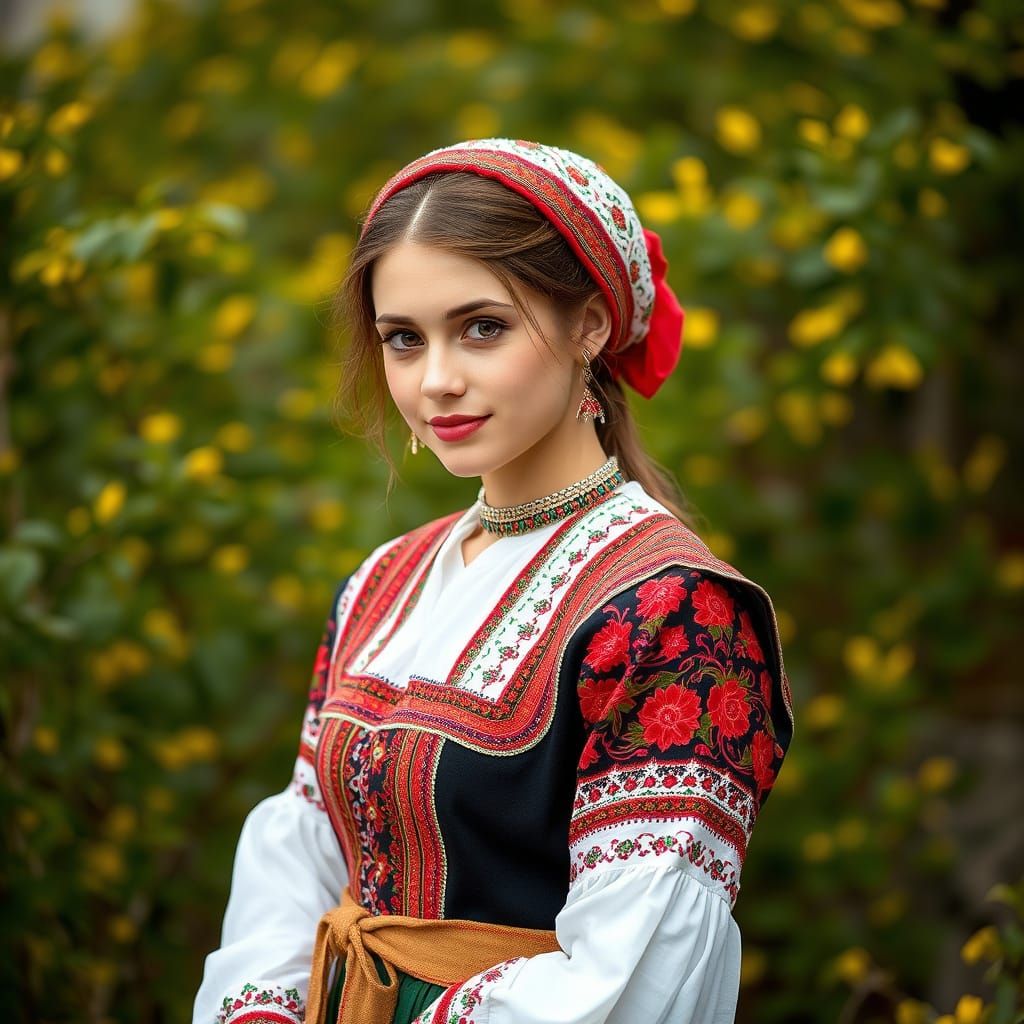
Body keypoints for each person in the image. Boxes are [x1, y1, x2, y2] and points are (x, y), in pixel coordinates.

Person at [192, 138, 795, 1024]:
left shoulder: (677, 611)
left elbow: (633, 974)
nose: (437, 381)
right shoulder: (383, 582)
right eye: (404, 339)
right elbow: (304, 848)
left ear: (590, 324)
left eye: (483, 327)